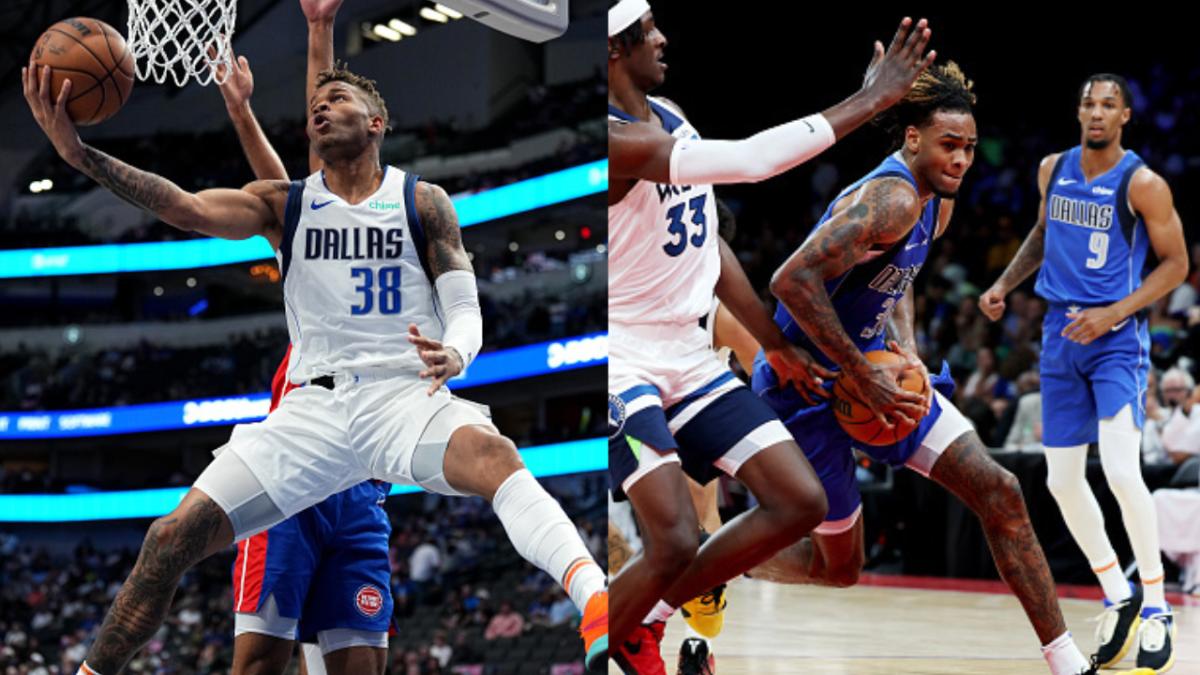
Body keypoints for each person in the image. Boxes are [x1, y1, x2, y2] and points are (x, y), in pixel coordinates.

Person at [23, 24, 608, 675]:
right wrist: (81, 157)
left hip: (399, 395)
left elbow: (464, 305)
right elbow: (187, 209)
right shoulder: (288, 206)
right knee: (168, 536)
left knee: (495, 453)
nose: (322, 108)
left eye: (337, 99)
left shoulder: (421, 200)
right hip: (311, 410)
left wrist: (458, 353)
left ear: (377, 122)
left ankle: (595, 600)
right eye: (314, 105)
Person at [607, 0, 933, 670]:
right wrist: (870, 101)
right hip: (622, 359)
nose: (664, 38)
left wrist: (774, 341)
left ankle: (642, 620)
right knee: (669, 539)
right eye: (648, 32)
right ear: (613, 51)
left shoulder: (671, 120)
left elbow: (709, 245)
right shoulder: (613, 140)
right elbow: (755, 160)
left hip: (688, 357)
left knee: (799, 500)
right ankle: (606, 631)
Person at [751, 62, 1095, 675]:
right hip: (802, 384)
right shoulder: (891, 197)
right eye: (948, 145)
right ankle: (724, 562)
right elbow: (790, 281)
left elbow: (896, 279)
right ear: (913, 139)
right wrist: (860, 372)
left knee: (1001, 491)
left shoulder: (935, 205)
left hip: (876, 372)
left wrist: (904, 343)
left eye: (968, 147)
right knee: (842, 571)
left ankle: (1067, 660)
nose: (962, 158)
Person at [981, 73, 1189, 672]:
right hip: (1059, 338)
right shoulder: (1053, 169)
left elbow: (1175, 264)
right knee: (1062, 481)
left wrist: (1114, 314)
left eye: (1108, 106)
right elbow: (1045, 234)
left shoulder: (1144, 183)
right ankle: (1118, 597)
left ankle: (1156, 607)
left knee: (1123, 471)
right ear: (1078, 111)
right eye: (1088, 104)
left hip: (1117, 341)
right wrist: (1003, 284)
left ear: (1125, 116)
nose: (1096, 114)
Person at [214, 3, 393, 674]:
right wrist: (319, 31)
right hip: (295, 466)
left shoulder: (411, 243)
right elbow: (299, 188)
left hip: (363, 487)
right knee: (260, 659)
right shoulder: (322, 240)